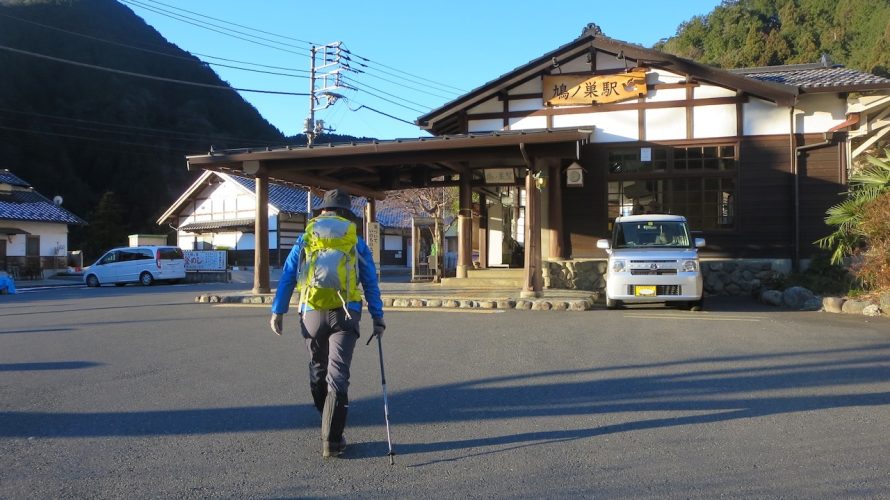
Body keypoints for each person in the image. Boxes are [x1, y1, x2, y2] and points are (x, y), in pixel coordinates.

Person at [269, 188, 385, 459]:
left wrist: (278, 311)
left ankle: (325, 413)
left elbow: (288, 275)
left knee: (317, 365)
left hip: (310, 309)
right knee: (338, 373)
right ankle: (331, 441)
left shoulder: (306, 236)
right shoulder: (354, 239)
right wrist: (377, 317)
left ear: (322, 211)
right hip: (346, 311)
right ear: (346, 213)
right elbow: (369, 280)